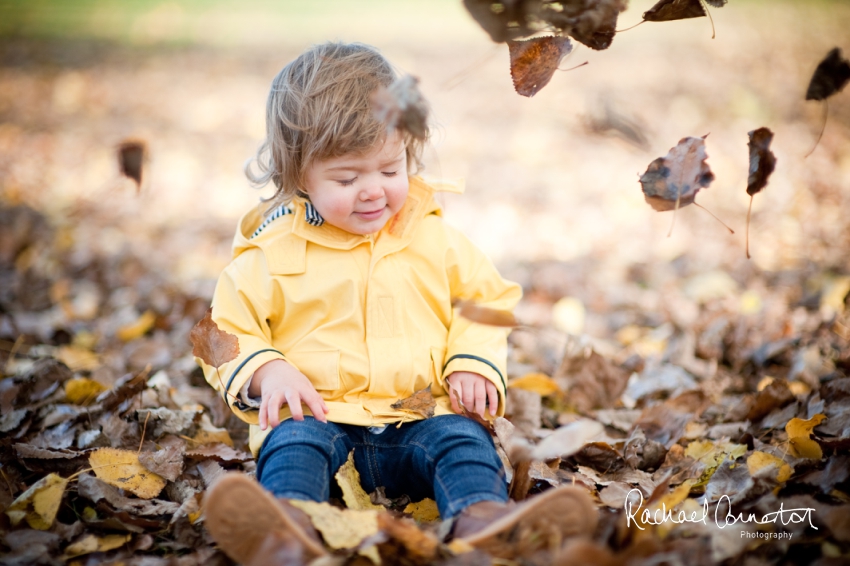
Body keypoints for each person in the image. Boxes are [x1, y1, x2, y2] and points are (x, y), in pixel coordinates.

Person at [199, 41, 596, 564]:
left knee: (463, 441)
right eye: (346, 178)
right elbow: (222, 333)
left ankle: (484, 518)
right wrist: (267, 372)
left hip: (421, 417)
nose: (372, 191)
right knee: (292, 444)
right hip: (321, 414)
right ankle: (282, 528)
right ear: (299, 176)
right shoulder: (269, 254)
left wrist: (473, 362)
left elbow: (483, 301)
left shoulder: (435, 240)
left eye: (389, 170)